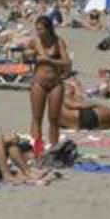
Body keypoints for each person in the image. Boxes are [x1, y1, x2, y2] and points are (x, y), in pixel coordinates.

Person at [27, 15, 72, 148]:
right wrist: (28, 55)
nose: (38, 32)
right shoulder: (35, 42)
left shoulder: (58, 42)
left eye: (41, 29)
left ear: (48, 29)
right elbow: (25, 56)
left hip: (56, 83)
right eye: (37, 29)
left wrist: (49, 60)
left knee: (54, 118)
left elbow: (66, 62)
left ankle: (53, 147)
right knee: (37, 117)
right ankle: (37, 149)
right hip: (39, 82)